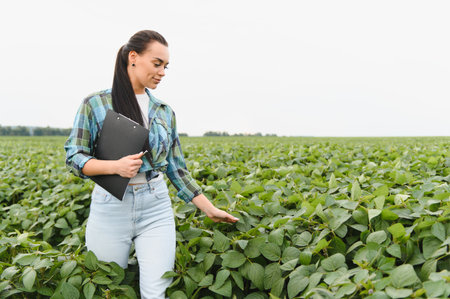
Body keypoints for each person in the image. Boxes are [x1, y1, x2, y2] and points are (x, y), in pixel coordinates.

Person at [64, 30, 239, 298]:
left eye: (166, 66)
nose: (163, 72)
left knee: (156, 292)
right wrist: (114, 167)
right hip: (111, 206)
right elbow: (74, 157)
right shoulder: (96, 103)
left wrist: (209, 208)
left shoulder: (164, 112)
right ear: (133, 58)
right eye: (157, 64)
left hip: (155, 206)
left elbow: (176, 168)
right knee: (108, 288)